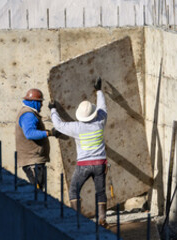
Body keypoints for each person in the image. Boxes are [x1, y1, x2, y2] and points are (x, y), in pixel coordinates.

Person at [49, 78, 109, 226]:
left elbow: (58, 124)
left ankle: (77, 220)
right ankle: (102, 219)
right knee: (100, 192)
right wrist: (99, 91)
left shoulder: (76, 127)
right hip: (101, 163)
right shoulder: (100, 122)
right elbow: (103, 107)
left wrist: (53, 109)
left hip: (83, 165)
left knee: (74, 190)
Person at [16, 88, 54, 190]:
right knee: (37, 191)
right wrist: (48, 133)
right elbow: (29, 133)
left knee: (39, 190)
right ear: (34, 102)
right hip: (32, 161)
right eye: (40, 102)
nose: (42, 105)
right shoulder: (28, 115)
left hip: (35, 160)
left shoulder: (29, 113)